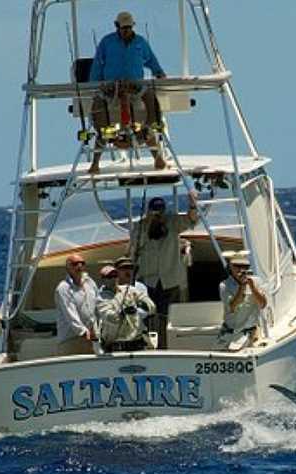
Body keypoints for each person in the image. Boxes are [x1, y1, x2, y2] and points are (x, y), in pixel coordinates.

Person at [88, 11, 167, 174]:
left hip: (135, 87)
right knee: (102, 121)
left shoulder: (140, 42)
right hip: (111, 88)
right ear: (117, 26)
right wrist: (94, 83)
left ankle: (155, 147)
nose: (126, 31)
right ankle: (95, 163)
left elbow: (150, 59)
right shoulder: (107, 42)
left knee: (150, 98)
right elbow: (97, 63)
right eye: (123, 28)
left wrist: (159, 72)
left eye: (129, 27)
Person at [130, 193, 198, 349]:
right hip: (147, 280)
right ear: (148, 212)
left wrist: (193, 204)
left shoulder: (173, 222)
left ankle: (167, 347)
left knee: (168, 317)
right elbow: (134, 250)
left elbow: (191, 220)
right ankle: (146, 346)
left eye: (160, 212)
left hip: (170, 279)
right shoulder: (140, 227)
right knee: (146, 315)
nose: (158, 215)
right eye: (154, 212)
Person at [96, 256, 157, 352]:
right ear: (103, 279)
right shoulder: (101, 297)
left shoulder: (131, 289)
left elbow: (151, 306)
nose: (112, 279)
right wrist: (122, 313)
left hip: (137, 343)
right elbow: (109, 316)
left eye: (114, 275)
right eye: (108, 277)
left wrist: (142, 307)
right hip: (116, 347)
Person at [218, 257, 267, 351]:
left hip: (251, 331)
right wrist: (242, 286)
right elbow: (232, 307)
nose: (241, 269)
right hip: (230, 331)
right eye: (237, 266)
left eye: (245, 266)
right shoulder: (224, 285)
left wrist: (253, 287)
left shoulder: (257, 281)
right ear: (230, 268)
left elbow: (263, 304)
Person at [54, 253, 99, 355]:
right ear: (67, 268)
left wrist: (98, 330)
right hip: (71, 341)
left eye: (82, 263)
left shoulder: (90, 283)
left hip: (91, 339)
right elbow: (70, 313)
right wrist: (83, 332)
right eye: (75, 264)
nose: (79, 266)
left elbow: (98, 305)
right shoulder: (63, 288)